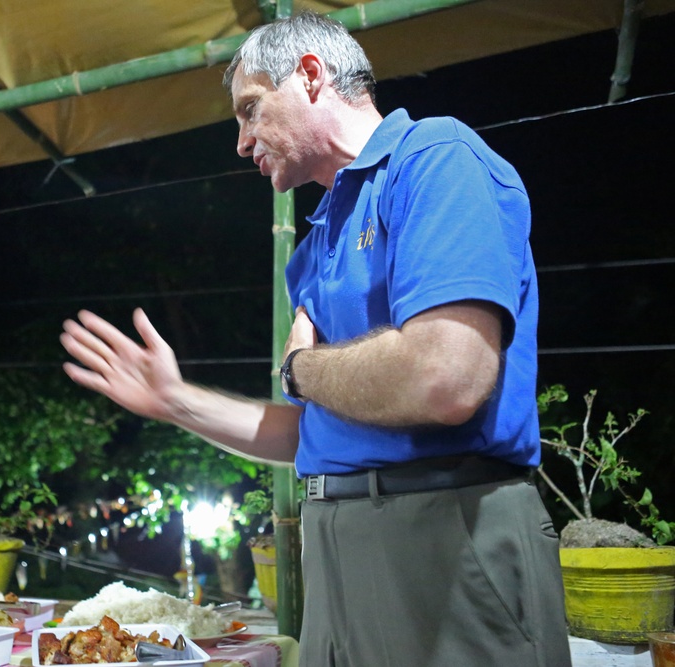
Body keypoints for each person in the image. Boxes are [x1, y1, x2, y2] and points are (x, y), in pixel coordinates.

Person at [60, 10, 571, 667]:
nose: (242, 142)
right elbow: (311, 432)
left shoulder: (434, 158)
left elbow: (446, 377)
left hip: (444, 530)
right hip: (332, 547)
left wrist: (301, 367)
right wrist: (173, 399)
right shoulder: (314, 247)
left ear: (309, 76)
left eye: (250, 109)